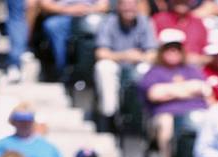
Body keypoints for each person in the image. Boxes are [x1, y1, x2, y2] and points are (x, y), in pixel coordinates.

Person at [139, 28, 209, 157]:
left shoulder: (192, 70)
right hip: (166, 115)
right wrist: (188, 89)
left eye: (176, 49)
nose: (173, 52)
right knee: (166, 124)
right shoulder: (154, 72)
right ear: (161, 51)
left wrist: (170, 91)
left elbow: (204, 88)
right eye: (168, 49)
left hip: (196, 113)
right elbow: (154, 93)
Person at [94, 0, 157, 128]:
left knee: (146, 69)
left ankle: (141, 115)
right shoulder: (108, 21)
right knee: (104, 67)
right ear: (118, 6)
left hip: (137, 64)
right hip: (115, 63)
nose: (129, 8)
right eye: (125, 4)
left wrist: (139, 57)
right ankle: (109, 115)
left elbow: (153, 53)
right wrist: (124, 55)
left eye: (132, 5)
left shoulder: (145, 21)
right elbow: (100, 53)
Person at [39, 0, 110, 77]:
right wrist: (69, 10)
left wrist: (87, 10)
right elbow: (45, 4)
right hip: (62, 14)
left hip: (90, 15)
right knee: (52, 25)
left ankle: (87, 73)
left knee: (97, 26)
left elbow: (104, 6)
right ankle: (62, 71)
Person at [152, 0, 208, 64]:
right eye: (178, 1)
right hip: (164, 67)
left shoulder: (198, 23)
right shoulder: (159, 19)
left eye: (184, 1)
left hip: (194, 68)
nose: (181, 3)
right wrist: (182, 58)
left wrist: (199, 59)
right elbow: (152, 51)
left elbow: (206, 55)